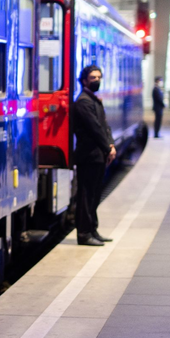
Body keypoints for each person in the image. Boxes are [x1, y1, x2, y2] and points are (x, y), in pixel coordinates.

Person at [72, 65, 116, 246]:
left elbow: (104, 126)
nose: (97, 80)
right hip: (88, 156)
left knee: (95, 195)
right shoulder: (83, 102)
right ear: (84, 81)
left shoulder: (93, 100)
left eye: (99, 77)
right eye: (93, 78)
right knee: (86, 195)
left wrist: (110, 144)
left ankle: (93, 230)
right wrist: (107, 148)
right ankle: (84, 234)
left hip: (97, 155)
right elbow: (94, 128)